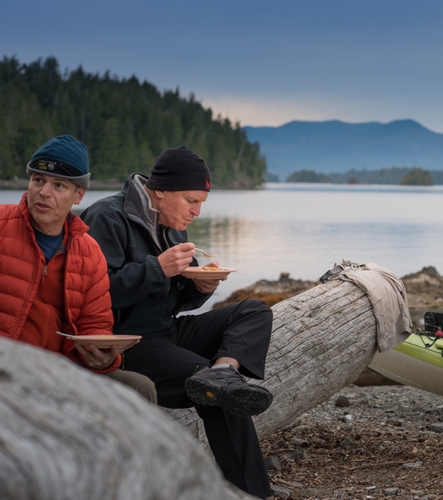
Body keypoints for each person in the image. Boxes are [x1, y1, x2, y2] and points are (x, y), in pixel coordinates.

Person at [80, 146, 274, 498]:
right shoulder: (106, 217)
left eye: (201, 203)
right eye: (191, 200)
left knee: (254, 310)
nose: (196, 212)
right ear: (161, 190)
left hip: (166, 332)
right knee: (221, 393)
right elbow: (90, 295)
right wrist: (158, 268)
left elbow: (172, 302)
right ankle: (253, 493)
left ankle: (225, 369)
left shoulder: (173, 229)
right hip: (127, 342)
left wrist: (199, 288)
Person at [0, 135, 156, 402]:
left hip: (62, 367)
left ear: (79, 195)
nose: (44, 192)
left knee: (139, 389)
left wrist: (104, 357)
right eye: (38, 180)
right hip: (8, 364)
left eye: (58, 185)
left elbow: (95, 324)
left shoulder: (89, 251)